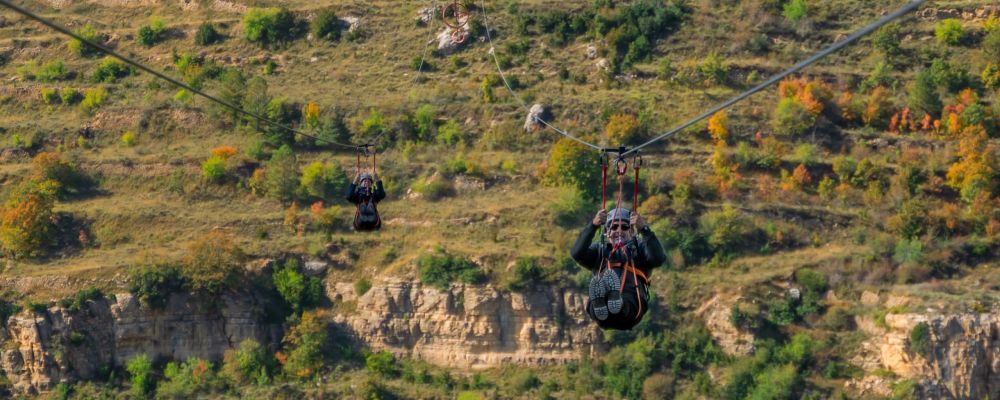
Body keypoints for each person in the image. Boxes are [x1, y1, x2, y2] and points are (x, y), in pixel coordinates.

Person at [571, 207, 666, 330]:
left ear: (632, 231)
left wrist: (645, 229)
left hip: (630, 310)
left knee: (624, 300)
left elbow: (658, 258)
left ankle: (617, 303)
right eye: (614, 227)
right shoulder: (599, 251)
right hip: (602, 316)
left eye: (624, 227)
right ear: (607, 232)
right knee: (600, 293)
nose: (619, 231)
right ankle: (604, 303)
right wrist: (593, 225)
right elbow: (577, 253)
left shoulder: (640, 249)